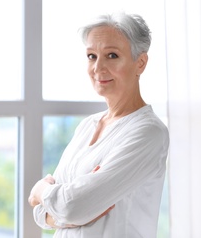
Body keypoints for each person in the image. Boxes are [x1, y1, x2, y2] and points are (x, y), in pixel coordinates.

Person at [28, 12, 169, 237]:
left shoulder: (148, 132)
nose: (98, 68)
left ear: (140, 63)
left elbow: (71, 207)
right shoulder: (87, 126)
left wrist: (40, 189)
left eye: (112, 55)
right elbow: (44, 212)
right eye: (92, 56)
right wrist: (62, 204)